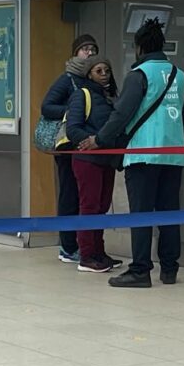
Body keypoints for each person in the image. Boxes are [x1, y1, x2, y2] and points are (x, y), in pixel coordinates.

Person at [82, 19, 184, 288]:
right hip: (174, 153)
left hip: (143, 154)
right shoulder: (179, 75)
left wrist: (100, 139)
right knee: (169, 213)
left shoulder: (138, 75)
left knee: (141, 214)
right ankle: (169, 268)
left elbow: (122, 114)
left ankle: (140, 270)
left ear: (139, 47)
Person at [40, 33, 99, 264]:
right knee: (69, 194)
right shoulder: (67, 79)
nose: (89, 52)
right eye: (85, 49)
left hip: (87, 147)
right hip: (67, 145)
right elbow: (47, 107)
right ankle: (67, 246)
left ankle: (87, 246)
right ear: (75, 53)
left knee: (86, 197)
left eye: (93, 49)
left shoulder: (95, 78)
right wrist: (73, 110)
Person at [65, 56, 123, 273]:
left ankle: (99, 251)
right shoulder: (82, 95)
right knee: (89, 206)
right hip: (87, 160)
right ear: (89, 74)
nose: (104, 74)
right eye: (99, 71)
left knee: (102, 206)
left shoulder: (111, 97)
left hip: (107, 160)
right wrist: (93, 142)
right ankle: (86, 255)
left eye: (107, 70)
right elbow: (73, 128)